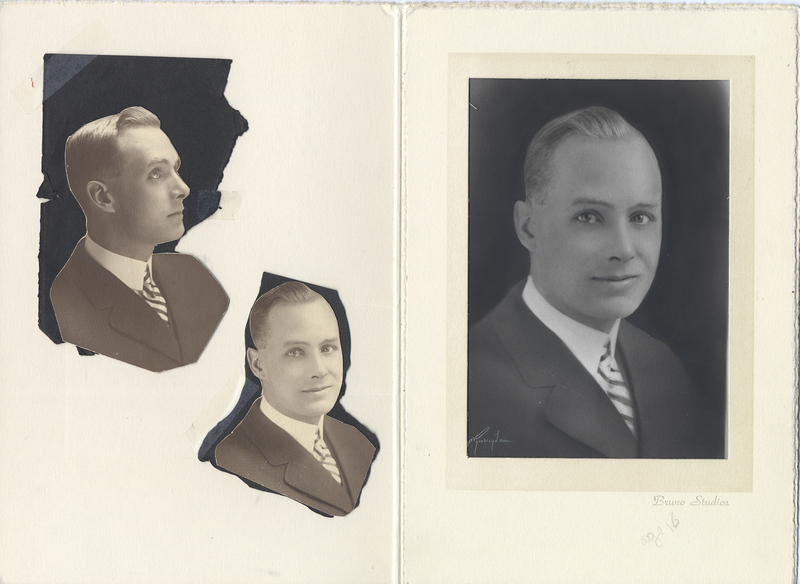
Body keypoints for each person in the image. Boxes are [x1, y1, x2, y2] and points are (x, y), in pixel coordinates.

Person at [468, 106, 700, 459]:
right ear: (528, 227)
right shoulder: (470, 385)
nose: (624, 249)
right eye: (589, 217)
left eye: (641, 217)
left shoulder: (662, 369)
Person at [50, 107, 229, 372]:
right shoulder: (63, 306)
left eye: (175, 169)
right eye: (156, 173)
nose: (183, 189)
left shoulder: (195, 276)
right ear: (103, 197)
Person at [215, 282, 376, 516]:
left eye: (328, 348)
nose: (320, 370)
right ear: (258, 365)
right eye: (296, 352)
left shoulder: (358, 442)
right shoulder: (232, 461)